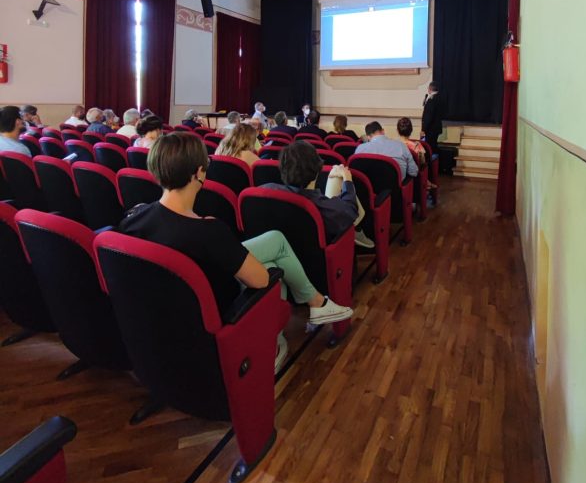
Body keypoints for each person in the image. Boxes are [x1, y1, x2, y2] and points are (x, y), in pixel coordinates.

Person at [119, 132, 353, 370]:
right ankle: (276, 342)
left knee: (275, 240)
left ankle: (316, 305)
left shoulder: (133, 219)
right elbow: (261, 280)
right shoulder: (208, 231)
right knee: (273, 272)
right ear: (199, 172)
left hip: (159, 319)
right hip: (215, 314)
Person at [264, 141, 374, 248]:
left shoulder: (266, 190)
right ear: (317, 169)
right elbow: (350, 211)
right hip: (319, 258)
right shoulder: (321, 207)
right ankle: (357, 231)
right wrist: (347, 179)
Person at [397, 117, 436, 189]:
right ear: (411, 130)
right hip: (415, 177)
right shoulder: (417, 146)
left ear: (397, 130)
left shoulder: (393, 146)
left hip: (398, 176)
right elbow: (422, 164)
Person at [422, 81, 443, 155]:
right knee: (434, 145)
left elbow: (428, 117)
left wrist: (423, 129)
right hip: (436, 127)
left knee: (429, 148)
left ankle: (431, 164)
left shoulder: (431, 100)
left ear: (430, 88)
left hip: (430, 129)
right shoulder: (440, 98)